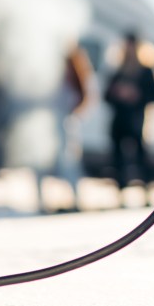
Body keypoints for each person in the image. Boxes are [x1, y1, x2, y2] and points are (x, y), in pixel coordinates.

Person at [104, 32, 154, 205]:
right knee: (118, 160)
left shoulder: (145, 71)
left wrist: (137, 94)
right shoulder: (118, 70)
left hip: (137, 121)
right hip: (119, 122)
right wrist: (117, 93)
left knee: (142, 158)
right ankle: (120, 196)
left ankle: (146, 195)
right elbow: (105, 96)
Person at [42, 44, 94, 213]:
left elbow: (84, 93)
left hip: (65, 119)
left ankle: (75, 198)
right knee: (43, 160)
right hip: (47, 119)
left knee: (68, 159)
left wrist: (74, 110)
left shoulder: (73, 63)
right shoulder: (44, 64)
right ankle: (43, 199)